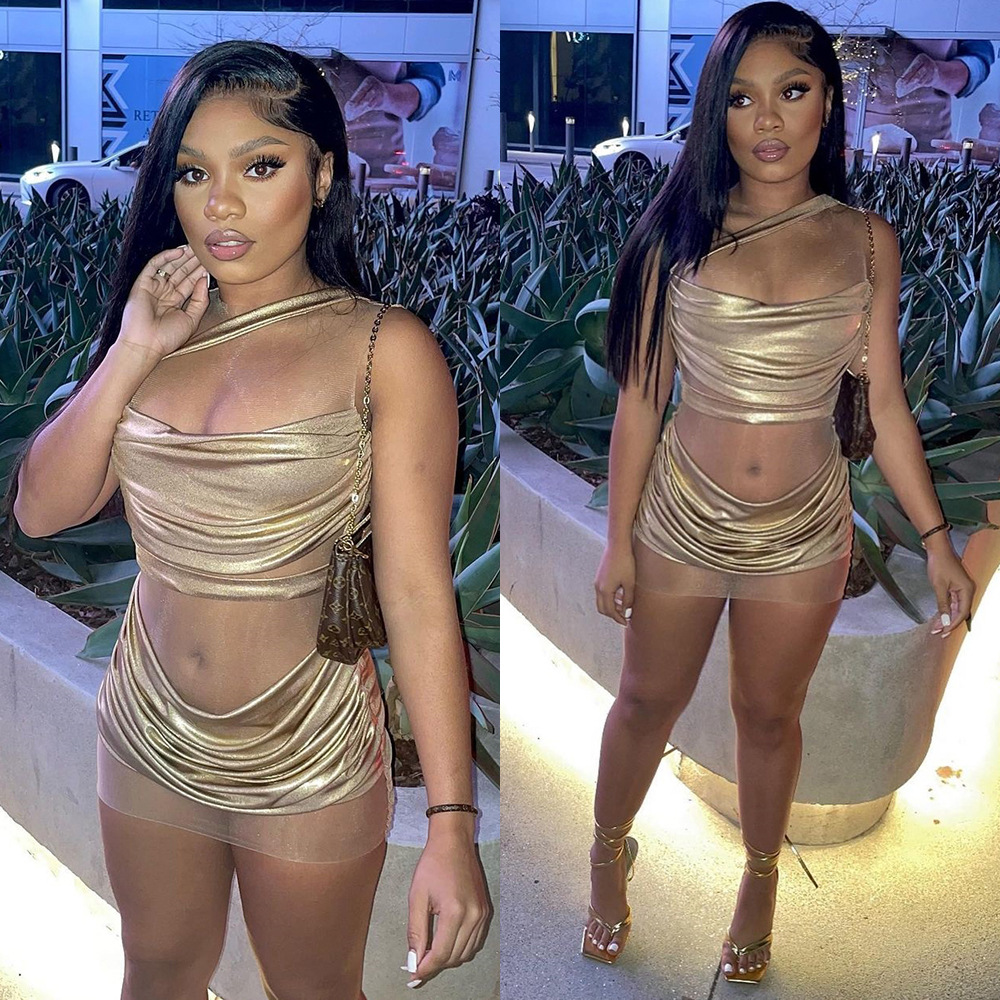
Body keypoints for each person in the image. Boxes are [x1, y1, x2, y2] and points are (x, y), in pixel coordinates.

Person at [3, 40, 488, 1000]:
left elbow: (415, 591)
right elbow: (40, 511)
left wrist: (451, 824)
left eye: (259, 167)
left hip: (306, 745)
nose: (219, 204)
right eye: (192, 173)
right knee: (158, 972)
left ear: (323, 175)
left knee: (313, 989)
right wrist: (132, 350)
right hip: (148, 729)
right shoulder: (159, 325)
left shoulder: (385, 349)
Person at [587, 2, 974, 986]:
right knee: (646, 700)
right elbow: (641, 399)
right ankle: (605, 851)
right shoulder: (675, 233)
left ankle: (759, 879)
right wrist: (618, 539)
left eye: (792, 91)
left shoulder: (867, 240)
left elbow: (883, 403)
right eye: (742, 98)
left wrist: (936, 539)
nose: (767, 120)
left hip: (804, 530)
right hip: (680, 517)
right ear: (713, 112)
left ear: (827, 103)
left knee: (768, 716)